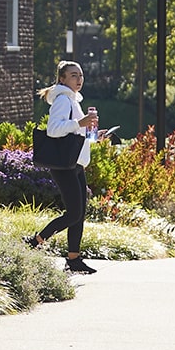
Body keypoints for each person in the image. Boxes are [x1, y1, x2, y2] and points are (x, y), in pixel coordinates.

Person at [25, 61, 106, 274]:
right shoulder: (63, 100)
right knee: (73, 214)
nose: (79, 79)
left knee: (80, 213)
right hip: (64, 165)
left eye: (80, 75)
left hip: (76, 163)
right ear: (62, 79)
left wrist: (96, 134)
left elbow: (76, 132)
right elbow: (54, 130)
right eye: (73, 75)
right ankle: (35, 241)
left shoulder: (74, 101)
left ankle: (74, 259)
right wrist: (80, 123)